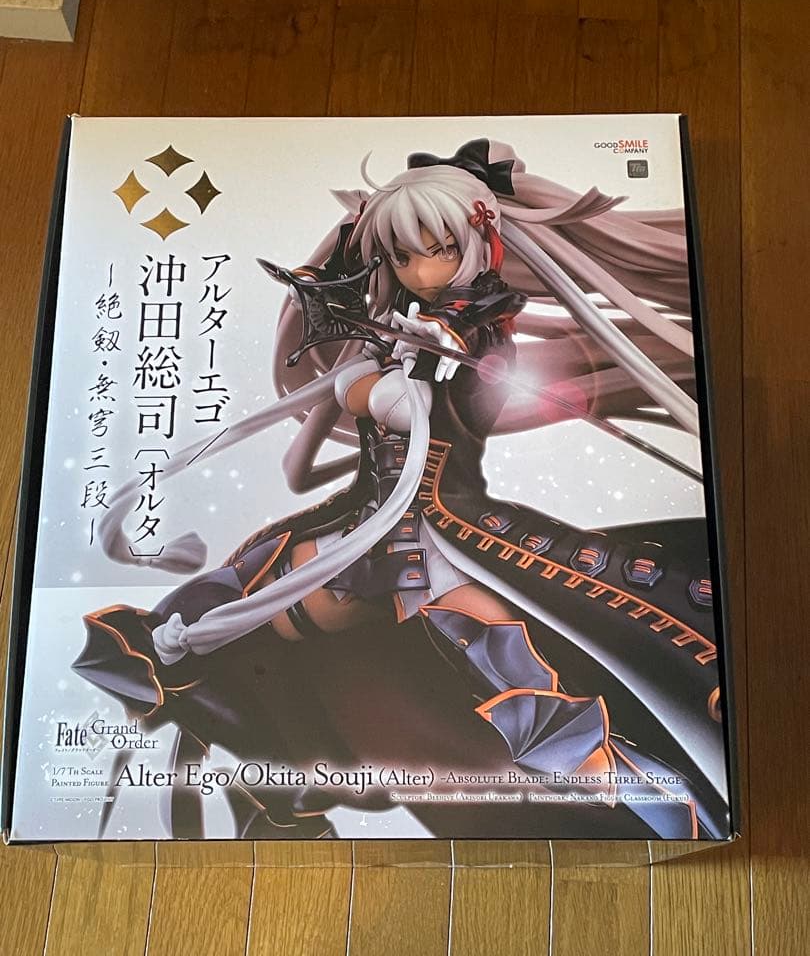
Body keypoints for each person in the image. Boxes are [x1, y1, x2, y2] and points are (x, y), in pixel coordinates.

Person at [74, 139, 728, 841]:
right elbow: (352, 388)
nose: (422, 271)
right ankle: (289, 803)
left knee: (523, 694)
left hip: (447, 538)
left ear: (477, 243)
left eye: (439, 251)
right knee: (202, 620)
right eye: (404, 257)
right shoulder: (391, 332)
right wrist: (369, 362)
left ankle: (671, 807)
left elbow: (450, 402)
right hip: (361, 532)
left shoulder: (481, 332)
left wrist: (417, 372)